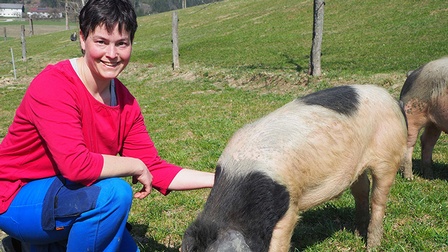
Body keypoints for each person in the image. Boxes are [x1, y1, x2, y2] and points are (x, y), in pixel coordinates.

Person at [0, 0, 214, 251]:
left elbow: (154, 168)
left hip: (70, 194)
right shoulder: (54, 85)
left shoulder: (126, 103)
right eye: (101, 42)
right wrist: (134, 164)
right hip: (17, 198)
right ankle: (33, 239)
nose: (112, 54)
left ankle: (40, 245)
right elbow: (76, 166)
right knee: (114, 195)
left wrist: (220, 179)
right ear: (82, 39)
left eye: (121, 43)